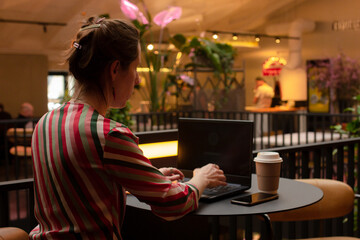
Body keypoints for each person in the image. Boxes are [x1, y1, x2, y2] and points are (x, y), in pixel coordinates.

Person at [30, 17, 227, 239]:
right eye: (135, 68)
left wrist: (144, 179)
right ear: (115, 69)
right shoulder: (109, 135)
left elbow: (78, 192)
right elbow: (174, 204)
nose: (137, 80)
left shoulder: (46, 122)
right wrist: (200, 178)